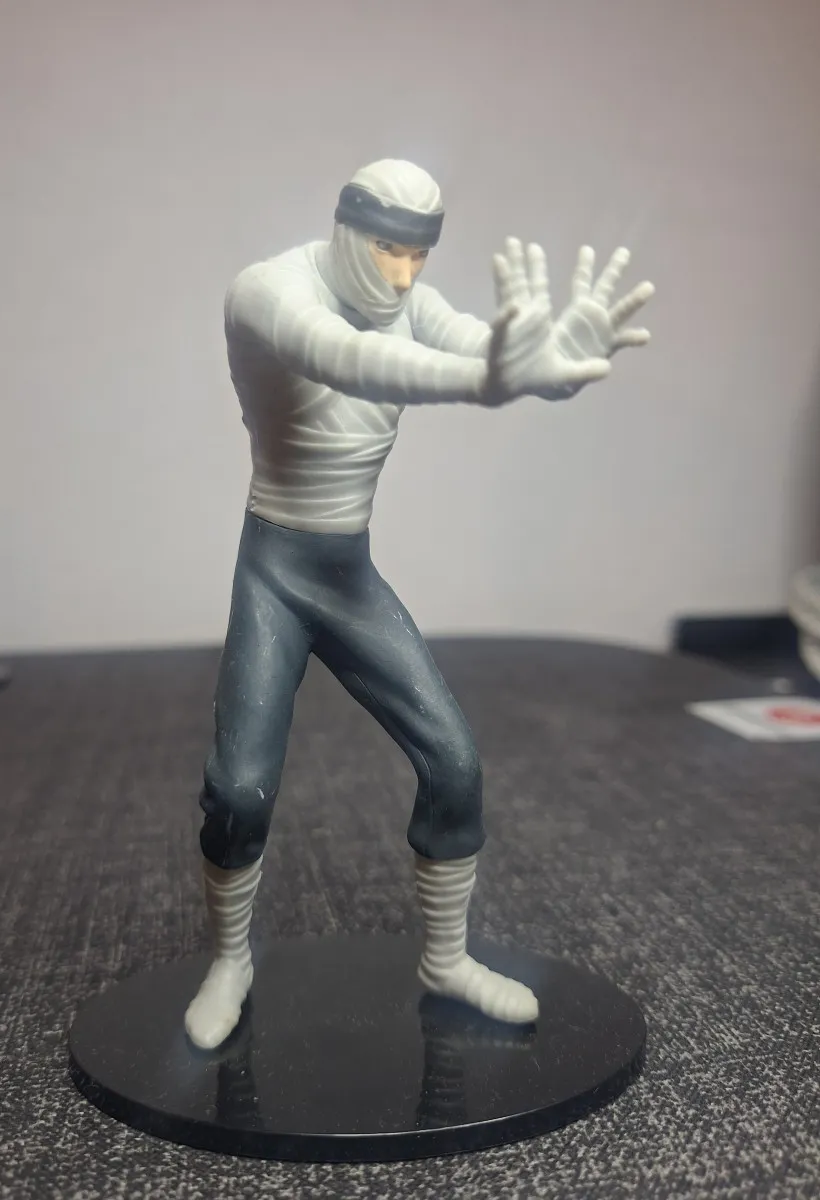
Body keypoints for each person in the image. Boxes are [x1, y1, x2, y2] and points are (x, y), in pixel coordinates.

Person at [185, 158, 654, 1050]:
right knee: (240, 790)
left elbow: (487, 350)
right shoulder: (268, 293)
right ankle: (229, 960)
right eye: (387, 250)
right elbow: (353, 359)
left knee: (455, 762)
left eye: (419, 256)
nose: (402, 276)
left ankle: (446, 960)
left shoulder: (411, 302)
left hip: (348, 575)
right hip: (275, 573)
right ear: (346, 228)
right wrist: (486, 383)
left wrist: (552, 364)